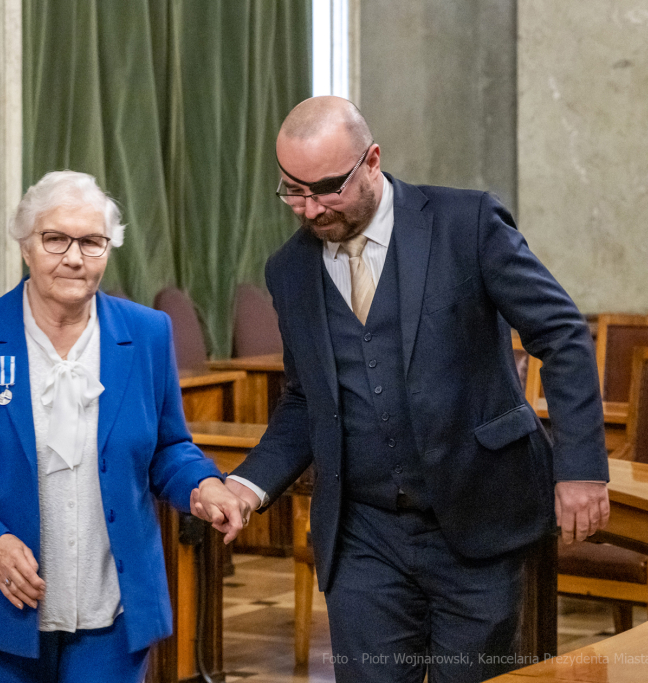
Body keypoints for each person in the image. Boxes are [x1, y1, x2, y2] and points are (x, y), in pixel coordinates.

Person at [210, 96, 610, 682]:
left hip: (481, 520)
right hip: (364, 534)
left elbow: (564, 335)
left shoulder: (465, 223)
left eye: (326, 188)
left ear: (371, 160)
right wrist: (247, 485)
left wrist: (580, 468)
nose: (311, 209)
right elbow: (303, 400)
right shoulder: (289, 270)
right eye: (293, 191)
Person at [0, 170, 251, 682]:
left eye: (91, 242)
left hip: (113, 607)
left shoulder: (148, 333)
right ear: (26, 247)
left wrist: (202, 486)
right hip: (5, 607)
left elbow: (169, 448)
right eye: (55, 239)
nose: (73, 257)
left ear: (109, 249)